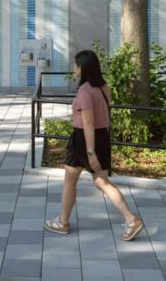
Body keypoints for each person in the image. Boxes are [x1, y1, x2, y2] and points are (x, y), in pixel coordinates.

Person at [44, 50, 145, 242]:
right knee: (91, 180)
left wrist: (90, 153)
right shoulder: (104, 87)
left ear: (82, 67)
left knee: (91, 182)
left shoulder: (84, 91)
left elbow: (88, 123)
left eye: (75, 65)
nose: (74, 68)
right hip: (101, 137)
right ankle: (63, 221)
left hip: (84, 140)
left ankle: (131, 220)